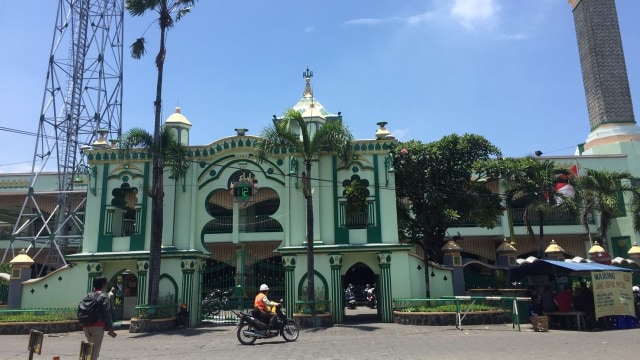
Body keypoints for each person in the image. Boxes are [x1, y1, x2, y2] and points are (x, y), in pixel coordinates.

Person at [82, 276, 116, 360]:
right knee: (94, 351)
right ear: (104, 285)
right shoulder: (104, 296)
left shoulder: (88, 295)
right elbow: (107, 313)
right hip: (97, 326)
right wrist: (110, 328)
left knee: (89, 349)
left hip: (86, 326)